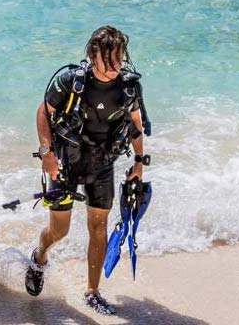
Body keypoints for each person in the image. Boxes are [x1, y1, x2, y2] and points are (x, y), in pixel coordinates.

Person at [25, 25, 149, 315]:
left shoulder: (129, 86)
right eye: (110, 59)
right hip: (65, 163)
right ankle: (39, 256)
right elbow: (44, 111)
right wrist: (47, 153)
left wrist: (140, 162)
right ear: (94, 55)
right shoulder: (71, 80)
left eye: (120, 58)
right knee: (60, 229)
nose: (116, 65)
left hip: (103, 164)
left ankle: (92, 292)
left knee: (98, 227)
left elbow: (135, 122)